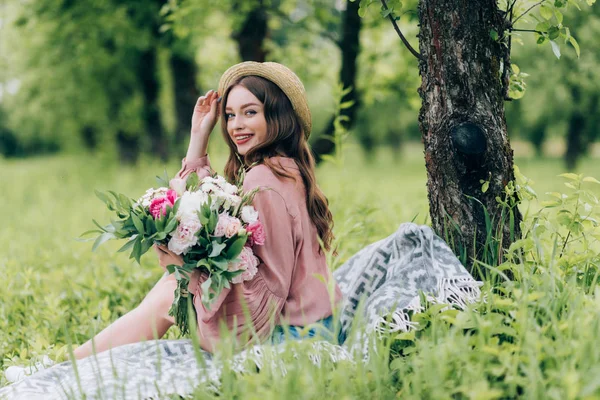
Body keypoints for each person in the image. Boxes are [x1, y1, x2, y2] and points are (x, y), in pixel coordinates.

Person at [70, 61, 343, 360]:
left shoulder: (264, 179)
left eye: (250, 112)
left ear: (277, 116)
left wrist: (188, 272)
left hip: (293, 336)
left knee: (169, 292)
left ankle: (73, 362)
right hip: (319, 323)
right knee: (171, 284)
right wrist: (199, 136)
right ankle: (78, 358)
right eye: (229, 115)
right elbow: (214, 206)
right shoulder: (285, 169)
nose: (236, 124)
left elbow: (269, 289)